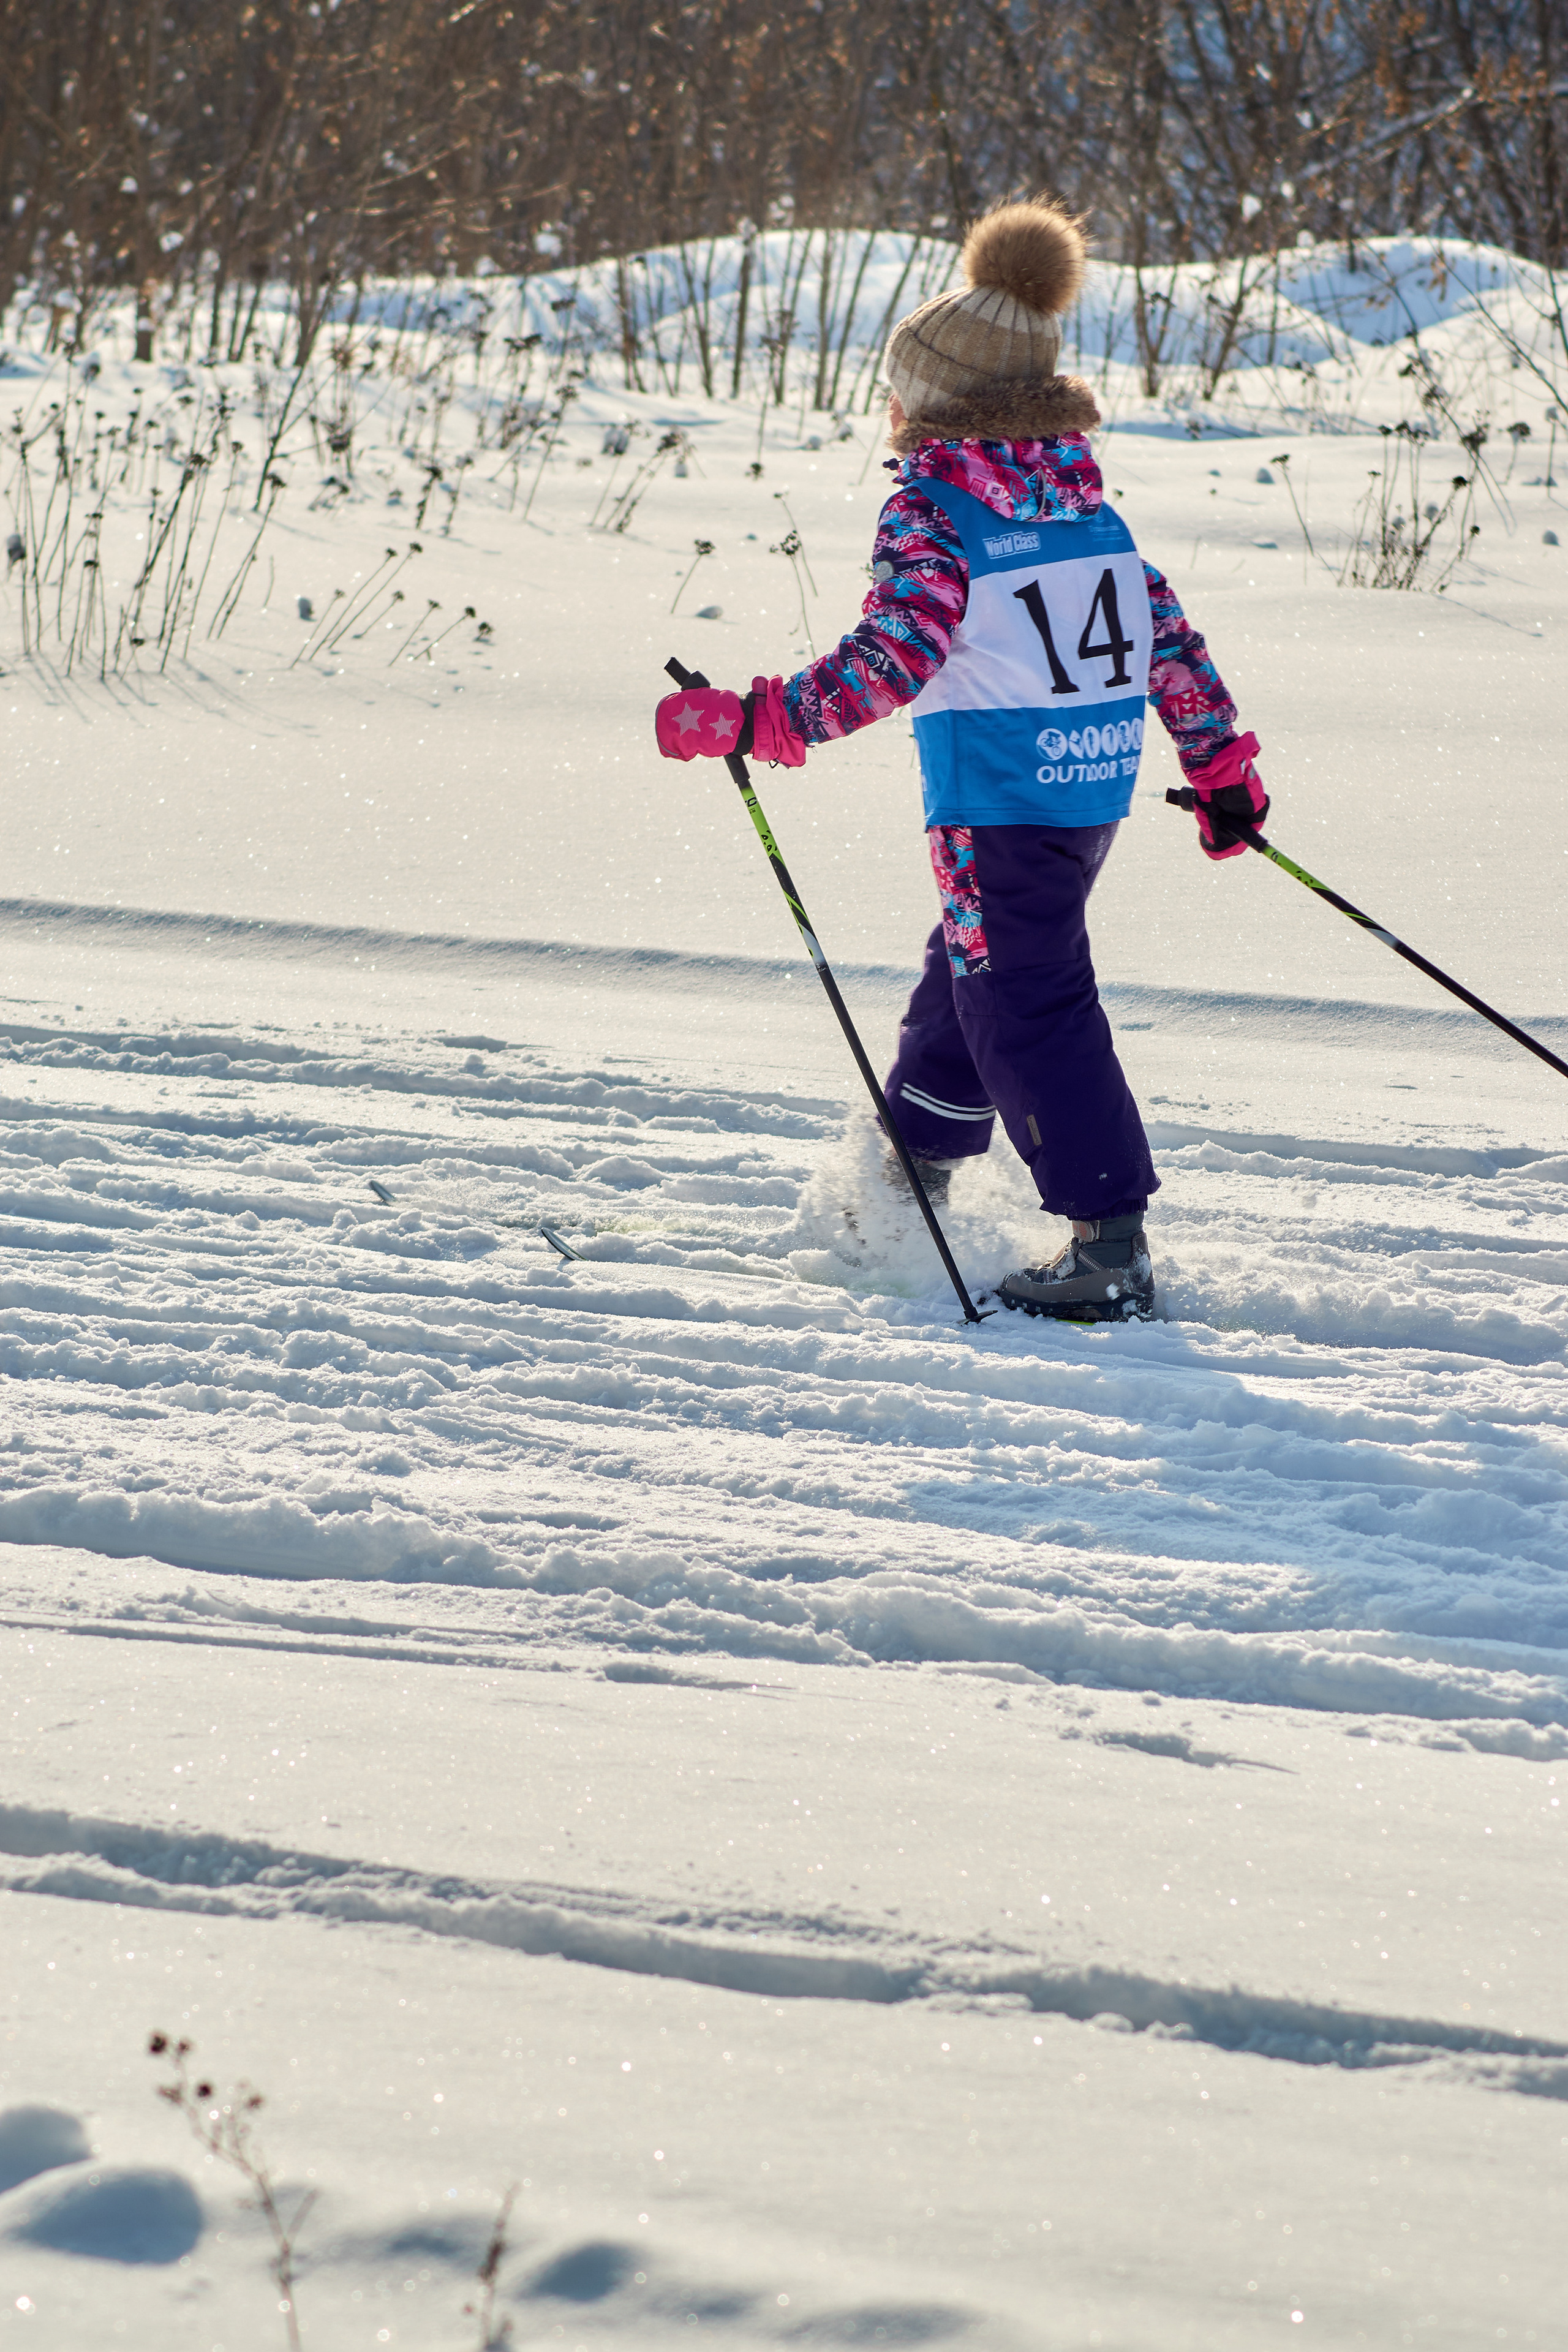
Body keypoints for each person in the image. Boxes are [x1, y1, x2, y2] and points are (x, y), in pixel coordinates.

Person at [654, 196, 1267, 1322]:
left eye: (903, 391)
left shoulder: (937, 511)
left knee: (1022, 1001)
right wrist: (1221, 767)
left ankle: (1108, 1240)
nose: (892, 410)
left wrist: (760, 719)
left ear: (941, 403)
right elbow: (1169, 641)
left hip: (996, 794)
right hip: (1086, 794)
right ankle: (916, 1170)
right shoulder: (1086, 508)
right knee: (972, 968)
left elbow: (893, 655)